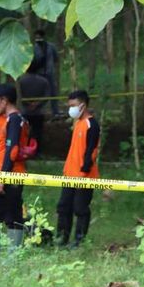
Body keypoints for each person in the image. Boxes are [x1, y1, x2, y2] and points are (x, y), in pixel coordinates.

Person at [0, 83, 30, 247]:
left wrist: (2, 177)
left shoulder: (14, 119)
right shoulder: (15, 119)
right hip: (12, 173)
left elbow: (12, 150)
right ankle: (11, 254)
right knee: (13, 214)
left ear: (5, 100)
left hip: (9, 174)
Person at [56, 90, 100, 247]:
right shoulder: (78, 124)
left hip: (84, 176)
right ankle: (62, 238)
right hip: (69, 174)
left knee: (80, 208)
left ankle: (79, 241)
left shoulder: (91, 124)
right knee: (63, 206)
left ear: (83, 105)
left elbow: (92, 151)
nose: (71, 109)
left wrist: (84, 171)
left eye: (73, 106)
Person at [18, 60, 50, 153]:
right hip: (38, 112)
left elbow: (19, 95)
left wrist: (28, 104)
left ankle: (23, 150)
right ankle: (36, 151)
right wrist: (37, 104)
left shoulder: (21, 80)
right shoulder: (44, 81)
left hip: (25, 111)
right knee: (37, 133)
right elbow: (47, 96)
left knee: (23, 132)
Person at [33, 29, 60, 117]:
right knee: (39, 93)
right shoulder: (33, 47)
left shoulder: (51, 46)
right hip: (38, 74)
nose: (38, 38)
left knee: (53, 92)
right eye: (36, 37)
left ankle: (55, 111)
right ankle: (38, 111)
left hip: (49, 73)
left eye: (39, 36)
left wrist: (51, 66)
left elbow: (56, 58)